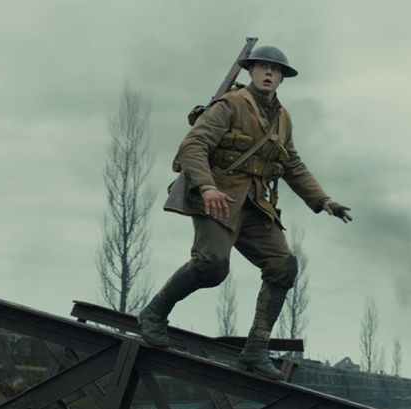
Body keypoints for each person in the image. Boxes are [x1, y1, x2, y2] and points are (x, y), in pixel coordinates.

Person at [140, 45, 352, 380]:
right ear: (251, 71)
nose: (269, 73)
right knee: (211, 266)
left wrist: (324, 201)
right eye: (263, 67)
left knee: (283, 265)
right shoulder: (230, 105)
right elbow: (193, 146)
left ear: (282, 78)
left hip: (254, 205)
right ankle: (153, 314)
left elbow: (292, 164)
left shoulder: (282, 118)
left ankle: (255, 350)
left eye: (275, 70)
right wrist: (207, 187)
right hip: (218, 198)